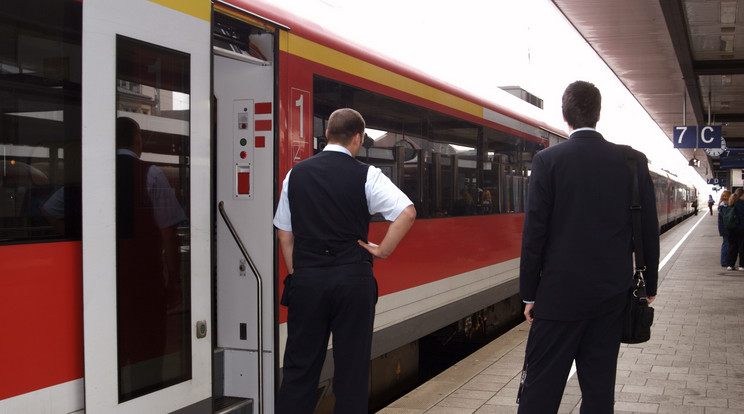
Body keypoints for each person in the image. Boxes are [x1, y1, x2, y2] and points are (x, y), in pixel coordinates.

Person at [518, 81, 659, 413]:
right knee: (598, 391)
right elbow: (648, 230)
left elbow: (534, 234)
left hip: (557, 298)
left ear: (565, 115)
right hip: (611, 297)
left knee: (540, 389)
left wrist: (529, 294)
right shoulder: (632, 162)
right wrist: (648, 285)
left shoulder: (547, 161)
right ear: (598, 114)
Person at [273, 108, 416, 413]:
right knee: (351, 372)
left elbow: (284, 235)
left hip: (308, 280)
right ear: (358, 138)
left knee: (299, 370)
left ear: (327, 135)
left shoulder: (295, 175)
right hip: (353, 280)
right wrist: (383, 250)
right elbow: (407, 212)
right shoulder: (367, 174)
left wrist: (300, 273)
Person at [726, 188, 744, 271]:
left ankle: (730, 264)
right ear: (742, 195)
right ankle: (741, 265)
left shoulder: (731, 202)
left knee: (732, 246)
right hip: (741, 228)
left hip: (731, 228)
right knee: (742, 247)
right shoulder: (741, 204)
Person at [718, 190, 732, 267]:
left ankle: (725, 260)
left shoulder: (723, 205)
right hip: (725, 228)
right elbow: (726, 218)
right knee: (726, 244)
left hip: (725, 228)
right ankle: (724, 261)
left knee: (726, 244)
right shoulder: (724, 206)